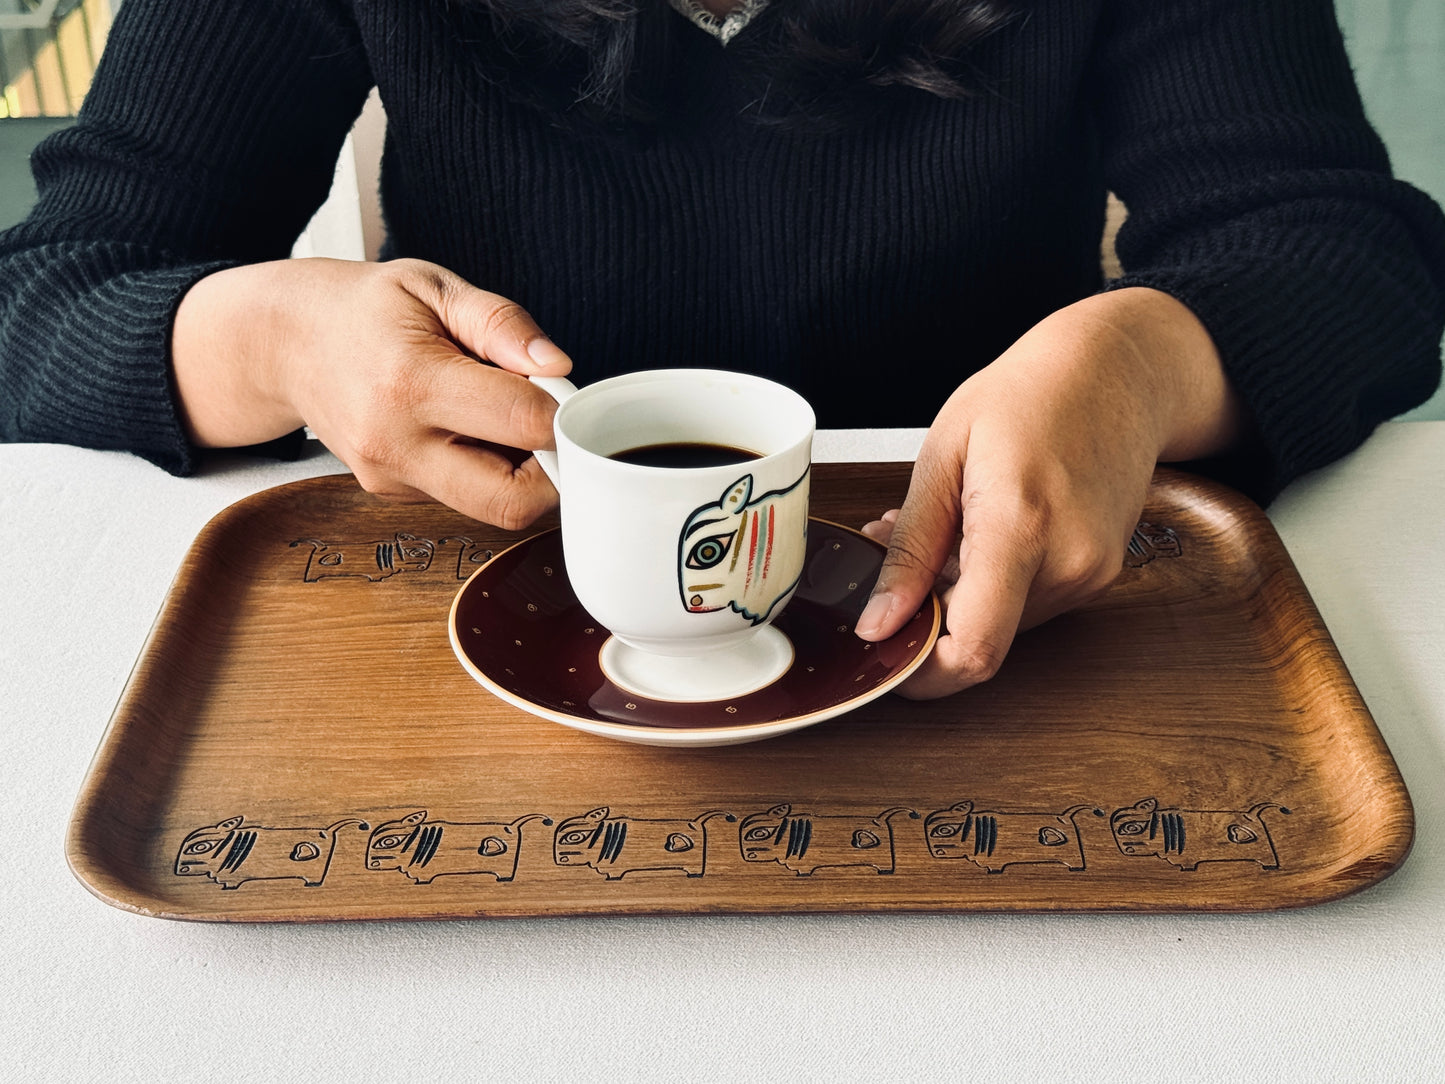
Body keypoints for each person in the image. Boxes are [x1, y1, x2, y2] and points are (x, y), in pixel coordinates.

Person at [2, 0, 1443, 698]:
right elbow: (52, 293)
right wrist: (269, 336)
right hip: (473, 634)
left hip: (993, 637)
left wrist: (1140, 362)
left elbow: (1346, 252)